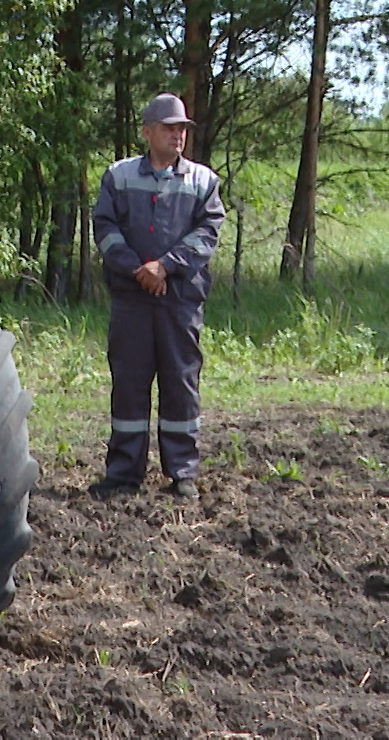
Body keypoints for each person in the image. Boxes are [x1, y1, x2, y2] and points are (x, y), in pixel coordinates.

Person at [88, 92, 226, 501]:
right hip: (131, 298)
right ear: (147, 132)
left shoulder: (204, 181)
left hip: (180, 300)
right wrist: (138, 270)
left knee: (180, 381)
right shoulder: (118, 176)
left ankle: (182, 472)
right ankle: (123, 473)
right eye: (169, 128)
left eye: (182, 128)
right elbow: (105, 227)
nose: (178, 135)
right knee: (129, 383)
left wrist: (165, 267)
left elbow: (208, 232)